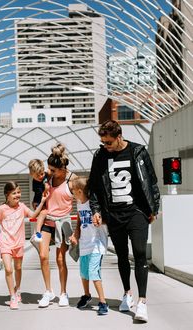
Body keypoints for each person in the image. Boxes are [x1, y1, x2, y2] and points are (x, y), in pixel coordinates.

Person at [89, 120, 160, 323]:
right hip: (113, 214)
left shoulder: (138, 152)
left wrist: (154, 208)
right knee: (121, 255)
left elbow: (151, 181)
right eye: (102, 142)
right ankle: (127, 293)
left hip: (136, 211)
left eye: (108, 142)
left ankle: (142, 302)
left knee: (139, 253)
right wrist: (96, 210)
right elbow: (94, 186)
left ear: (119, 137)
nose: (105, 146)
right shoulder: (100, 156)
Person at [0, 181, 48, 310]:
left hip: (18, 243)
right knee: (8, 269)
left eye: (18, 192)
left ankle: (18, 289)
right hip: (5, 243)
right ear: (7, 195)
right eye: (14, 193)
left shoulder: (22, 206)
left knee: (18, 268)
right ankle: (12, 296)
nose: (17, 195)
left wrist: (43, 202)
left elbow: (33, 215)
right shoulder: (2, 209)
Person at [37, 143, 77, 308]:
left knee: (60, 259)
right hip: (48, 221)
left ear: (62, 168)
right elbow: (35, 174)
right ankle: (48, 291)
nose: (49, 172)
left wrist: (79, 231)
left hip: (63, 223)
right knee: (43, 256)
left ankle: (63, 293)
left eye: (53, 170)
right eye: (49, 169)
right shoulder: (48, 177)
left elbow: (83, 202)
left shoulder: (72, 179)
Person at [69, 176, 109, 315]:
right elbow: (80, 221)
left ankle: (103, 302)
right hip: (84, 244)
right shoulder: (79, 204)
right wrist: (75, 234)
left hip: (96, 244)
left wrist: (100, 221)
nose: (72, 193)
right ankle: (86, 295)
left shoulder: (94, 204)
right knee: (84, 273)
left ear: (79, 191)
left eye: (73, 191)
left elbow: (106, 220)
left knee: (93, 272)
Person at [28, 159, 50, 243]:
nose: (41, 176)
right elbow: (41, 195)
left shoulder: (46, 174)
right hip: (39, 202)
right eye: (37, 176)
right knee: (43, 213)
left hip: (45, 201)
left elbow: (50, 173)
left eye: (42, 174)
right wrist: (45, 189)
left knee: (46, 219)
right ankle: (37, 233)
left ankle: (39, 233)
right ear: (32, 175)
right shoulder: (35, 183)